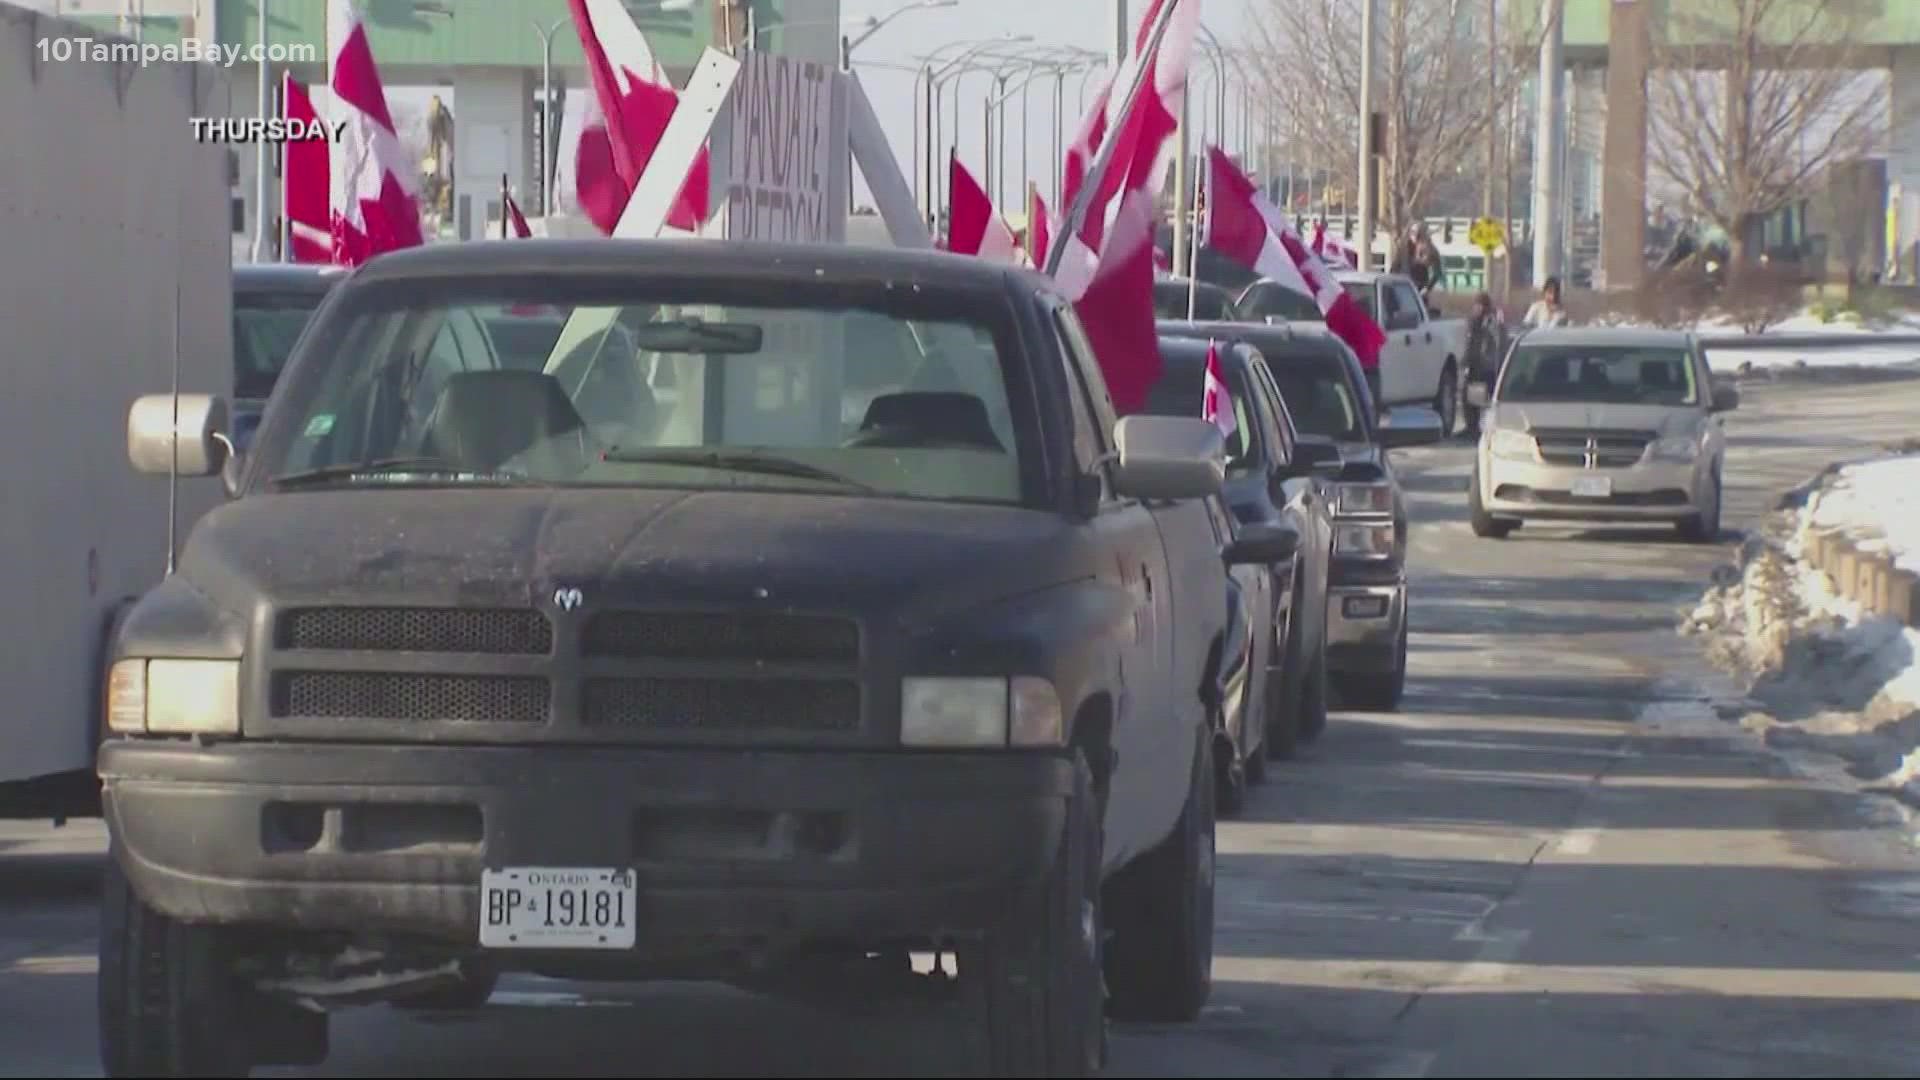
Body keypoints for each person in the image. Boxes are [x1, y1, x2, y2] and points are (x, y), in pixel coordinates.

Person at [1460, 292, 1507, 436]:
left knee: (1489, 398)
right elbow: (1469, 343)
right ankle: (1471, 426)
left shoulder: (1491, 322)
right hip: (1474, 364)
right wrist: (1465, 361)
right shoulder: (1472, 322)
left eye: (1481, 306)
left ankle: (1491, 428)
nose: (1478, 309)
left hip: (1488, 366)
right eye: (1477, 305)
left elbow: (1499, 340)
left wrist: (1498, 324)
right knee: (1468, 396)